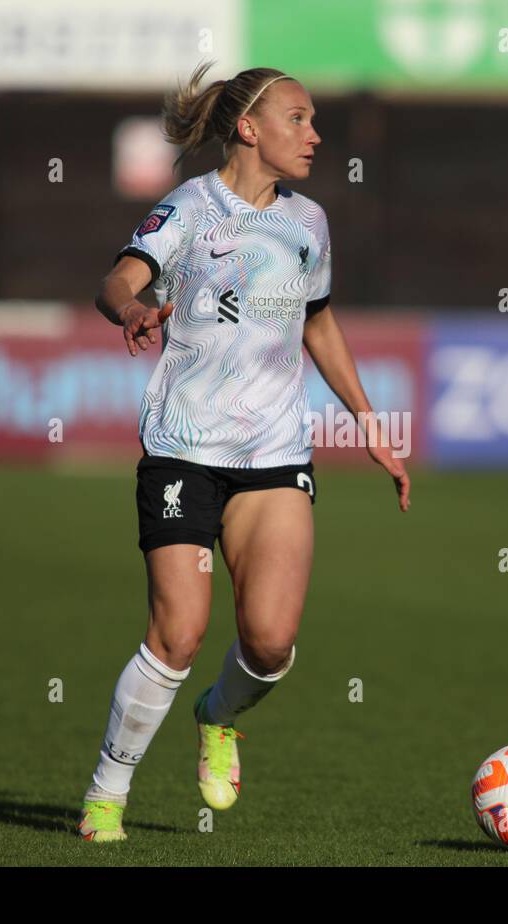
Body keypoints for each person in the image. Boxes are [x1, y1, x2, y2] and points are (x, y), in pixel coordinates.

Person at [77, 62, 410, 842]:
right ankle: (105, 798)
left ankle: (217, 717)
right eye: (300, 118)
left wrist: (367, 420)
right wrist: (130, 307)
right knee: (180, 633)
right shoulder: (189, 208)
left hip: (274, 453)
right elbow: (118, 278)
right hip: (183, 453)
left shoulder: (310, 224)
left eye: (316, 119)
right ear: (251, 128)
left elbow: (318, 322)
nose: (316, 134)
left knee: (268, 641)